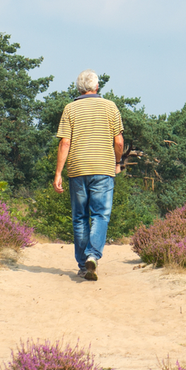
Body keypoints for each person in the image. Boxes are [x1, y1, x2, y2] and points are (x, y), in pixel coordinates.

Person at [53, 69, 124, 281]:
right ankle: (93, 255)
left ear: (78, 88)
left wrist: (58, 173)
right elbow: (119, 141)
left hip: (77, 169)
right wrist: (117, 162)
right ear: (97, 86)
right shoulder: (110, 107)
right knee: (101, 215)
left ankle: (83, 266)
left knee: (80, 217)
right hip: (103, 169)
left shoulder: (70, 109)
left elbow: (65, 142)